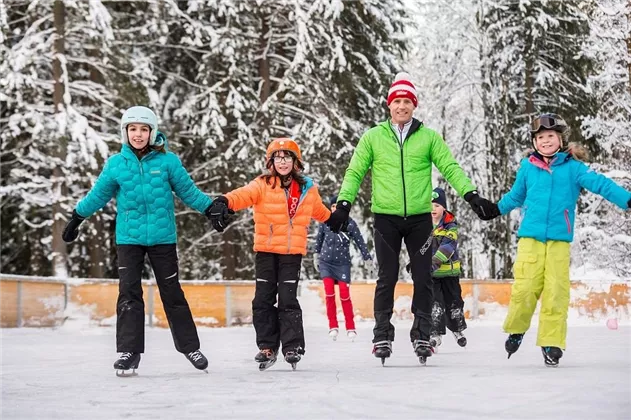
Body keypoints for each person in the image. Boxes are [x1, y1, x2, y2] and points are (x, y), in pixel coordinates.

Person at [326, 72, 497, 364]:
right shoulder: (373, 137)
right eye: (397, 101)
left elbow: (450, 167)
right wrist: (343, 204)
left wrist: (471, 196)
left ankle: (422, 334)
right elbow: (354, 172)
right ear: (389, 105)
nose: (401, 106)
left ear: (414, 105)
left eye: (407, 101)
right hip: (385, 219)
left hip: (419, 220)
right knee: (387, 277)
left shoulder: (428, 137)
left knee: (423, 277)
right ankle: (382, 334)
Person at [62, 106, 213, 376]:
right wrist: (77, 217)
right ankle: (129, 352)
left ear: (152, 132)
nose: (138, 134)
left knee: (172, 293)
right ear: (125, 132)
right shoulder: (116, 164)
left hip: (163, 238)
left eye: (144, 129)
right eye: (133, 129)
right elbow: (98, 195)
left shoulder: (168, 162)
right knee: (129, 295)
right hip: (129, 239)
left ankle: (190, 347)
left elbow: (188, 191)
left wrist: (210, 209)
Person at [487, 113, 631, 366]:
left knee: (556, 291)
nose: (545, 141)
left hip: (558, 240)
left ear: (560, 139)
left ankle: (551, 342)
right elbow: (515, 196)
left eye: (550, 136)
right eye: (540, 137)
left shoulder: (573, 168)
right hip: (530, 238)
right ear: (534, 142)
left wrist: (625, 198)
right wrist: (494, 209)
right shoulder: (528, 167)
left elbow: (600, 184)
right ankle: (517, 330)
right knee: (525, 288)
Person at [207, 138, 331, 370]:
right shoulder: (262, 184)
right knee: (263, 299)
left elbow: (320, 211)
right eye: (277, 157)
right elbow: (242, 195)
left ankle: (292, 346)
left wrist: (336, 219)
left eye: (287, 157)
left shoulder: (307, 189)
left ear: (296, 162)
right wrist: (225, 201)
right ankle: (267, 346)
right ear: (271, 162)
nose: (282, 161)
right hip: (265, 251)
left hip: (291, 254)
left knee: (287, 299)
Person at [313, 195, 373, 341]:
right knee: (329, 294)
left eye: (337, 207)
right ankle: (332, 326)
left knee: (345, 295)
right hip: (326, 263)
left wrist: (367, 258)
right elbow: (318, 240)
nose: (334, 209)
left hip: (342, 264)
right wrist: (316, 255)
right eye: (332, 206)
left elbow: (360, 241)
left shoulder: (349, 224)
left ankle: (350, 327)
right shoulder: (325, 222)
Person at [425, 187, 467, 349]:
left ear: (444, 207)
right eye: (430, 205)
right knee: (435, 305)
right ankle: (435, 334)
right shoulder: (423, 226)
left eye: (436, 205)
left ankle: (457, 330)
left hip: (449, 273)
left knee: (454, 303)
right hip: (432, 275)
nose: (433, 209)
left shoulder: (451, 226)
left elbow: (448, 247)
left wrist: (434, 262)